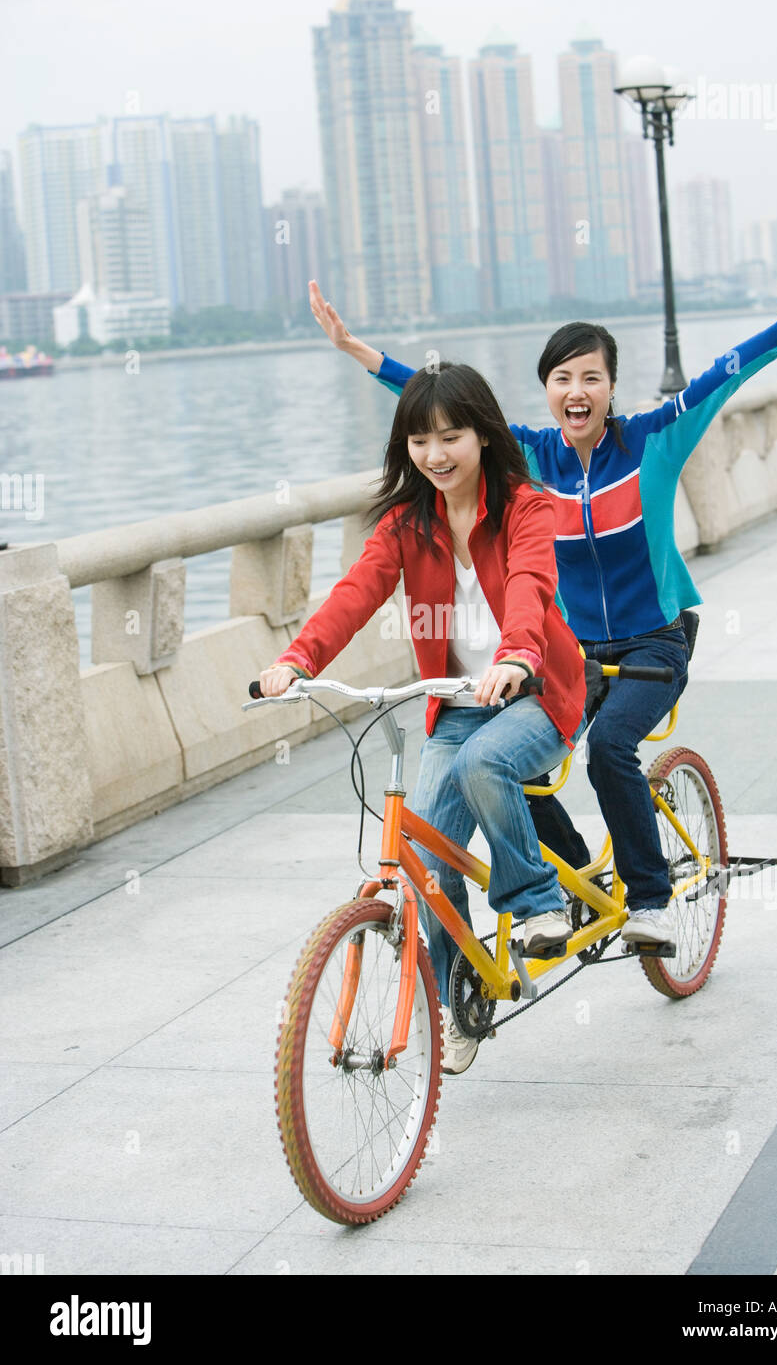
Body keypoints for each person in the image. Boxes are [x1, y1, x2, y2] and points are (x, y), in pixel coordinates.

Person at [307, 245, 777, 949]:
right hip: (567, 651)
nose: (576, 389)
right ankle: (569, 888)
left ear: (609, 387)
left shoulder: (654, 438)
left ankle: (650, 902)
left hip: (655, 640)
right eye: (561, 376)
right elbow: (444, 412)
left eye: (590, 376)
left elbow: (728, 371)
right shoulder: (531, 454)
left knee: (607, 753)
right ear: (546, 389)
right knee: (503, 769)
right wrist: (361, 353)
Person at [258, 361, 587, 1073]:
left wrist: (518, 654)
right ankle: (460, 993)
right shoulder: (406, 525)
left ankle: (537, 902)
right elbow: (354, 593)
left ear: (484, 436)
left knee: (483, 764)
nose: (434, 455)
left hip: (536, 694)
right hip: (458, 705)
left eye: (450, 436)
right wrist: (297, 660)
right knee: (426, 864)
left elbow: (530, 585)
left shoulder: (527, 508)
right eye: (418, 441)